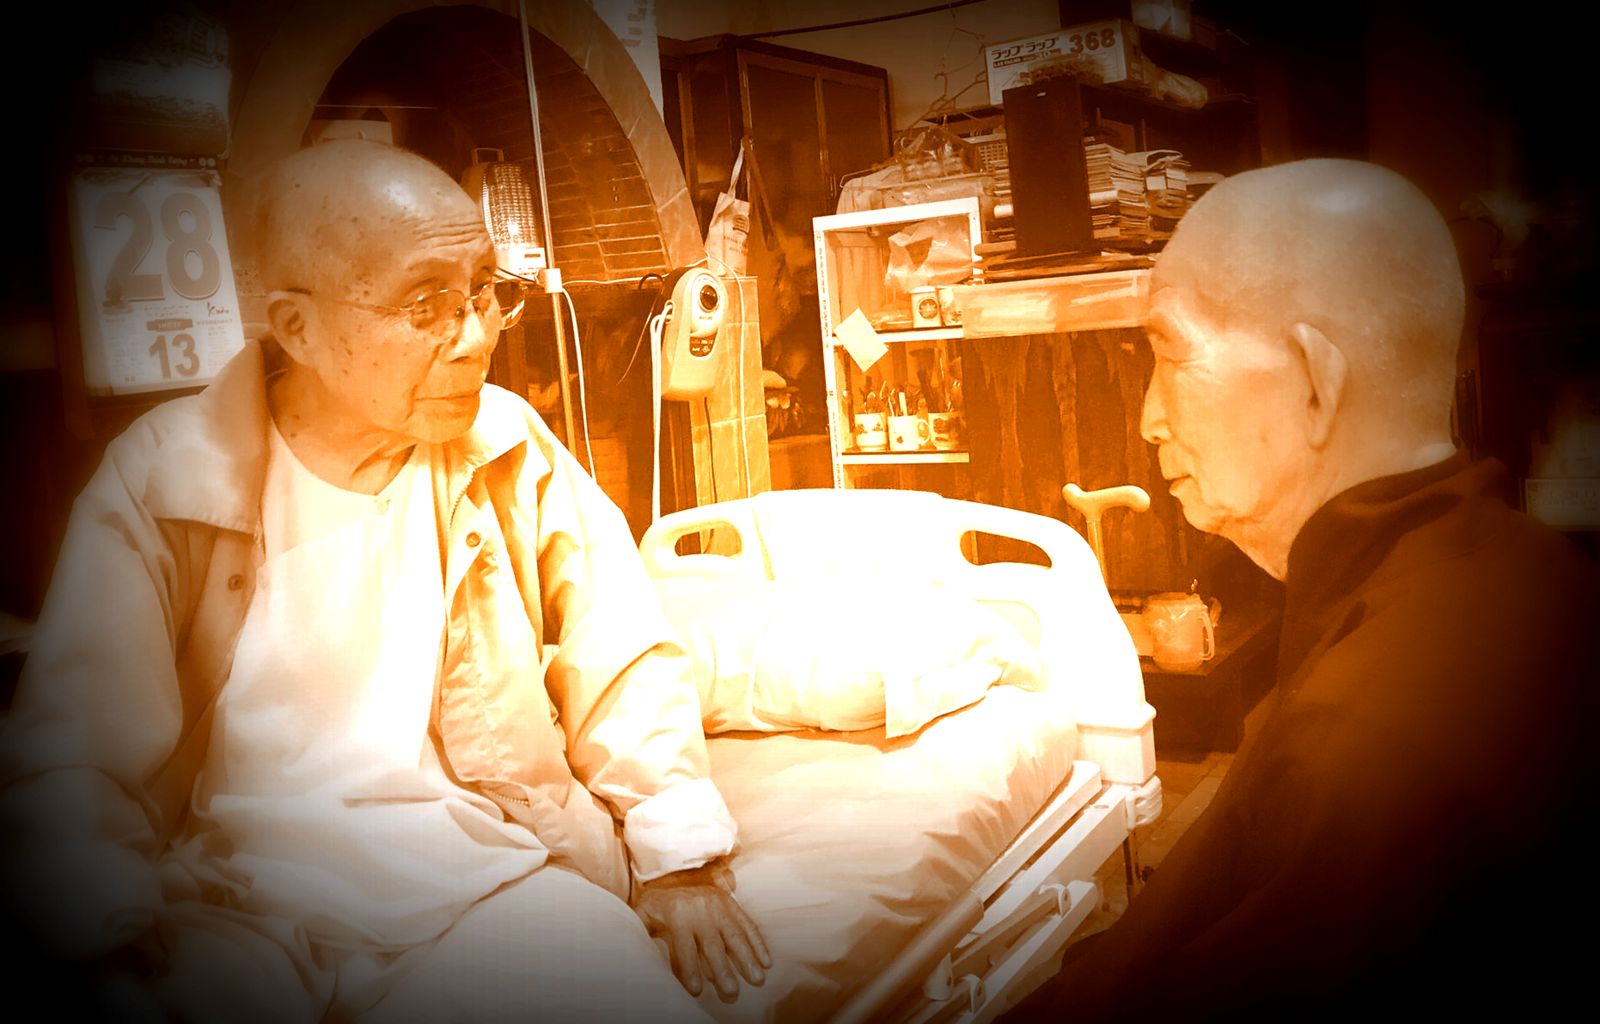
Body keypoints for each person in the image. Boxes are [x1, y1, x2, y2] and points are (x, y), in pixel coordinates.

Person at [0, 138, 768, 1022]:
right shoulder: (165, 480)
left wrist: (677, 855)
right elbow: (78, 746)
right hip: (231, 903)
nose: (476, 337)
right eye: (428, 304)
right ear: (298, 328)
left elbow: (620, 642)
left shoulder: (504, 443)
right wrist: (95, 918)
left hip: (487, 879)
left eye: (484, 290)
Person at [1005, 159, 1598, 1020]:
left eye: (1169, 352)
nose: (1148, 418)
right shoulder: (1536, 571)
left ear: (1315, 383)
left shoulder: (1362, 753)